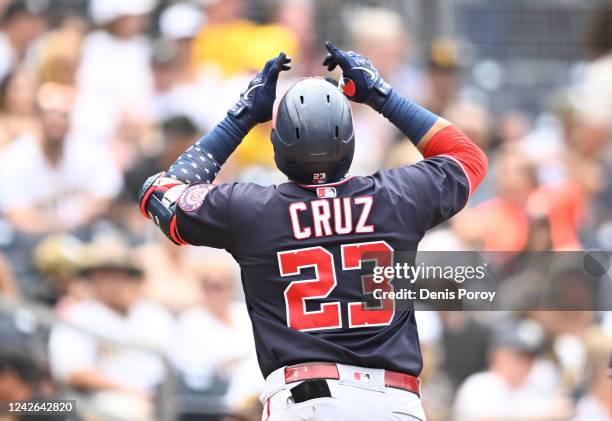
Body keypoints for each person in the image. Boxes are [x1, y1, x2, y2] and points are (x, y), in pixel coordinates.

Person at [139, 42, 487, 419]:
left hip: (308, 401)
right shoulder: (397, 197)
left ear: (279, 143)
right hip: (395, 404)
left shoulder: (252, 209)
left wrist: (241, 116)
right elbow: (467, 157)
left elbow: (159, 194)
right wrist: (379, 94)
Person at [48, 234, 174, 421]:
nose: (114, 281)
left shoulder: (154, 314)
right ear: (91, 278)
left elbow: (175, 366)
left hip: (158, 395)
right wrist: (128, 390)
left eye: (120, 274)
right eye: (105, 274)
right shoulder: (79, 315)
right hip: (100, 398)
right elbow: (72, 372)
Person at [0, 83, 122, 233]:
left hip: (83, 233)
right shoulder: (15, 158)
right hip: (31, 241)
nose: (55, 121)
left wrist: (74, 220)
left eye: (62, 115)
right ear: (37, 118)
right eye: (49, 114)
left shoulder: (88, 149)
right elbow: (16, 214)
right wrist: (59, 226)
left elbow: (107, 193)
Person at [453, 319, 572, 421]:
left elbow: (563, 409)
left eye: (530, 356)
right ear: (496, 354)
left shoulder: (538, 386)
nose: (525, 363)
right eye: (519, 356)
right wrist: (543, 417)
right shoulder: (479, 385)